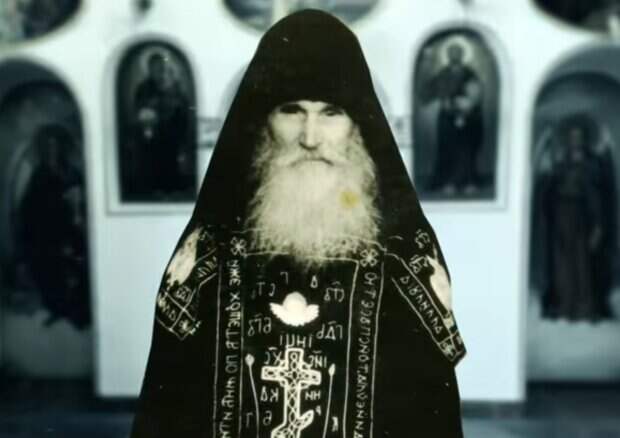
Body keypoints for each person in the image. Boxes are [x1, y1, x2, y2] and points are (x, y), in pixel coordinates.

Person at [131, 10, 466, 438]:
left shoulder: (402, 258)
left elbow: (427, 418)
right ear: (262, 122)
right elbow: (169, 413)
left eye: (331, 113)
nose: (310, 137)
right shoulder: (210, 254)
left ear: (358, 126)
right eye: (292, 111)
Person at [539, 114, 614, 321]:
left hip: (583, 216)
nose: (575, 141)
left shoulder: (592, 163)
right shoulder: (561, 162)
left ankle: (584, 308)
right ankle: (565, 306)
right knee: (562, 261)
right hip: (561, 215)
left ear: (584, 140)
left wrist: (597, 224)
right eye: (572, 137)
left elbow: (597, 192)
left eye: (579, 137)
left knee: (583, 262)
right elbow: (551, 187)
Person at [19, 124, 90, 328]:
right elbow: (29, 205)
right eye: (48, 146)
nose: (52, 150)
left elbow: (81, 197)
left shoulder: (71, 172)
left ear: (61, 148)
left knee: (75, 267)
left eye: (56, 145)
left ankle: (76, 311)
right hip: (46, 232)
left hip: (70, 229)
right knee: (48, 270)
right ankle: (56, 308)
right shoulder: (39, 174)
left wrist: (74, 207)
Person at [126, 50, 193, 201]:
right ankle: (153, 189)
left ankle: (171, 189)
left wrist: (173, 109)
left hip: (172, 130)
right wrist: (149, 114)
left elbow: (183, 106)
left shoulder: (174, 86)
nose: (159, 70)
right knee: (151, 159)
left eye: (161, 66)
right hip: (152, 132)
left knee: (170, 159)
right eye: (154, 67)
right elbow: (140, 107)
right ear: (150, 68)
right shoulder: (143, 88)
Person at [419, 41, 483, 196]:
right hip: (447, 118)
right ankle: (449, 182)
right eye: (451, 52)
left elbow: (476, 95)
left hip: (468, 117)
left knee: (466, 150)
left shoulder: (469, 74)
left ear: (462, 55)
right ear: (448, 56)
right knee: (447, 148)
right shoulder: (443, 74)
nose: (454, 55)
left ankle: (467, 182)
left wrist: (467, 105)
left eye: (457, 52)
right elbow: (426, 94)